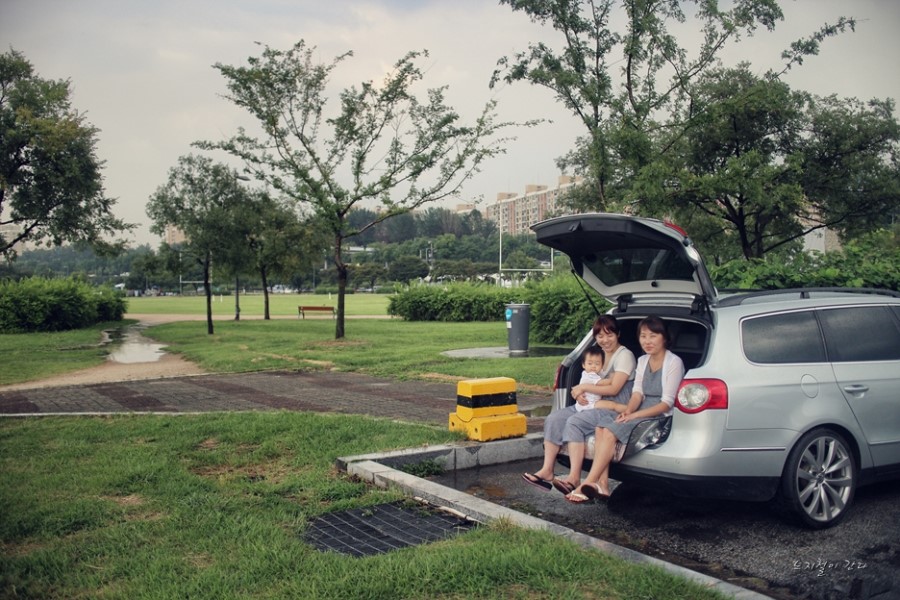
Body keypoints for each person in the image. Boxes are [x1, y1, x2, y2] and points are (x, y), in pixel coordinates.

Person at [565, 315, 685, 503]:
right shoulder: (643, 360)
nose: (647, 341)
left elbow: (666, 403)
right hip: (639, 409)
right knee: (601, 427)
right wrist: (628, 411)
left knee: (610, 431)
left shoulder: (674, 362)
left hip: (659, 415)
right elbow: (637, 393)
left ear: (664, 338)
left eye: (653, 336)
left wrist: (635, 415)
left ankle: (587, 482)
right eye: (643, 336)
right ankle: (603, 486)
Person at [522, 315, 636, 493]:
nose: (605, 340)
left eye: (609, 335)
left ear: (618, 334)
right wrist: (578, 392)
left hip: (613, 406)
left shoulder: (625, 356)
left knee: (575, 422)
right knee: (554, 419)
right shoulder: (597, 354)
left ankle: (574, 478)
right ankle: (547, 470)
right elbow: (588, 379)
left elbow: (614, 389)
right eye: (600, 336)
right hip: (592, 403)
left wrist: (582, 387)